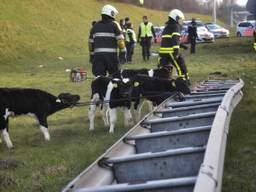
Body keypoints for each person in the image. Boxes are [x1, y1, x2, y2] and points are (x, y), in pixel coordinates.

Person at [88, 5, 126, 77]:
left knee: (99, 79)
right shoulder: (115, 24)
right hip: (111, 57)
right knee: (115, 78)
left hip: (98, 57)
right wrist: (123, 53)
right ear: (111, 13)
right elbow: (120, 41)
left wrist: (92, 56)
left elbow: (90, 43)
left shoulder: (95, 26)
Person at [158, 9, 190, 83]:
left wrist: (182, 46)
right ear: (175, 17)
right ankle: (184, 82)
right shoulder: (176, 26)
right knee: (181, 67)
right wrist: (176, 52)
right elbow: (175, 40)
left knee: (165, 70)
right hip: (171, 51)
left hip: (163, 52)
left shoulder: (167, 26)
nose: (180, 21)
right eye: (179, 19)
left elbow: (170, 40)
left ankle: (164, 83)